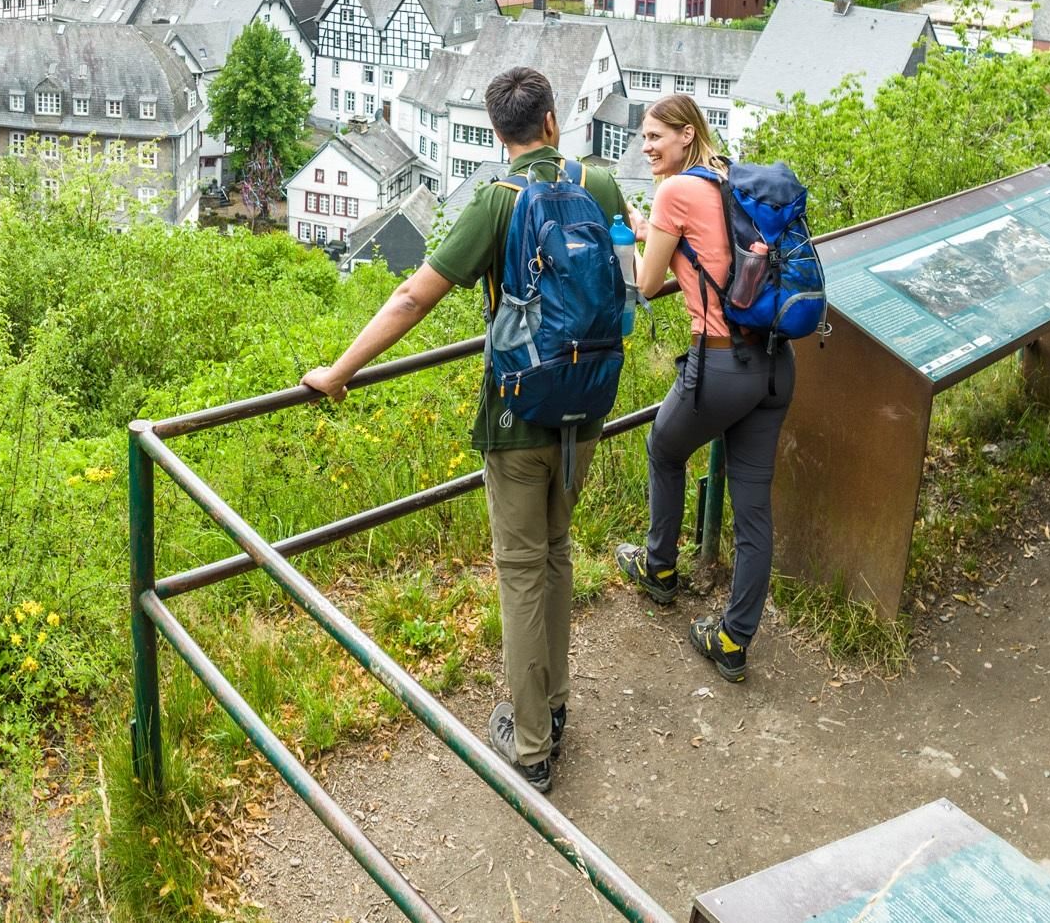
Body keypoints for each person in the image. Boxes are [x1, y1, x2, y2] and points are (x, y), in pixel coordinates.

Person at [303, 68, 626, 792]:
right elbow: (627, 279)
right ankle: (559, 702)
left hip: (517, 412)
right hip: (589, 404)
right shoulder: (601, 186)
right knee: (557, 552)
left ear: (497, 132)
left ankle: (533, 743)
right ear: (551, 123)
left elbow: (414, 295)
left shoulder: (496, 201)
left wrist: (339, 369)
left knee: (519, 572)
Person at [614, 93, 794, 685]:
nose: (646, 146)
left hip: (719, 363)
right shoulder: (731, 180)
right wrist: (657, 231)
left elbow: (646, 280)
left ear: (687, 134)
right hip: (774, 362)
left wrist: (639, 238)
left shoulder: (674, 192)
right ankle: (734, 640)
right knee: (753, 509)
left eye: (655, 136)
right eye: (642, 137)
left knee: (665, 449)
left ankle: (660, 569)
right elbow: (710, 250)